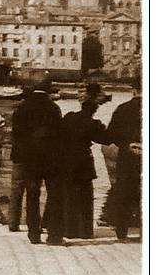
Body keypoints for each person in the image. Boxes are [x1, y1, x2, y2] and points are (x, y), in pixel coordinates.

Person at [11, 78, 65, 245]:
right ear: (48, 92)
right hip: (51, 159)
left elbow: (16, 135)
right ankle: (54, 235)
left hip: (30, 160)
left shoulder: (22, 108)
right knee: (54, 195)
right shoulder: (53, 109)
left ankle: (33, 233)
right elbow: (59, 134)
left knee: (32, 195)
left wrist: (19, 156)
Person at [59, 97, 109, 239]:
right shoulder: (93, 124)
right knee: (85, 197)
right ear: (94, 111)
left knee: (68, 195)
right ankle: (85, 231)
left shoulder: (69, 118)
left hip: (67, 159)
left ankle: (68, 228)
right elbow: (105, 139)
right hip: (83, 161)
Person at [105, 76, 142, 241]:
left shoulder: (122, 109)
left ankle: (122, 232)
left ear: (133, 91)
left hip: (128, 156)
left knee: (124, 193)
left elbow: (111, 134)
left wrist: (128, 144)